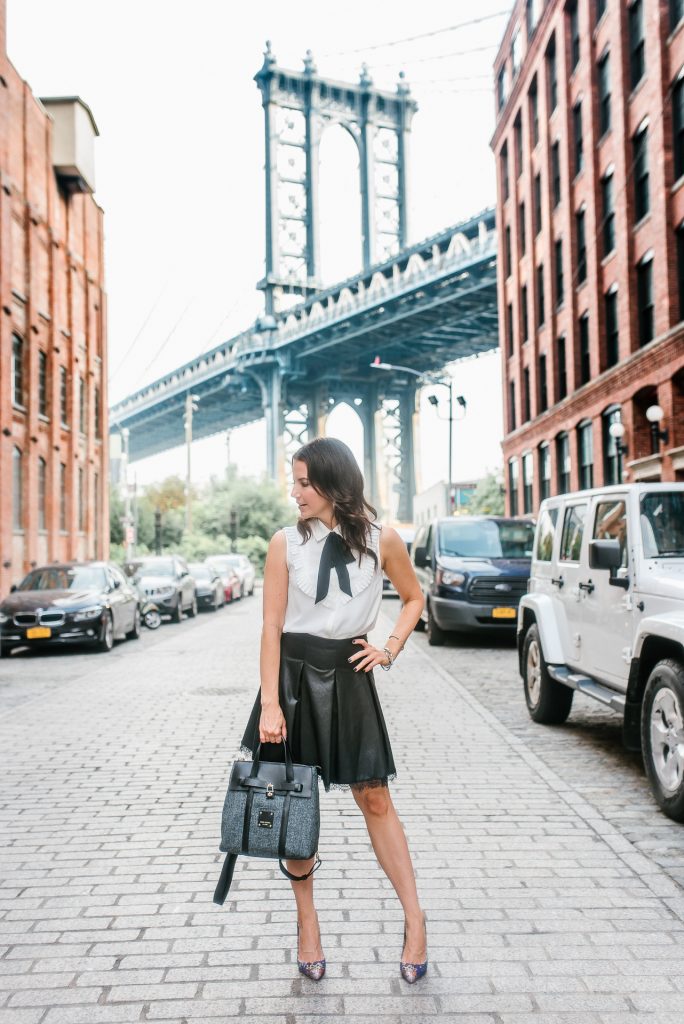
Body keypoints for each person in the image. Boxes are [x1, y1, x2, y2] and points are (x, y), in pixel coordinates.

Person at [241, 437, 427, 984]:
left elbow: (413, 597)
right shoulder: (284, 544)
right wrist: (270, 703)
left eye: (303, 482)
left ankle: (415, 921)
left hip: (350, 677)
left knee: (374, 797)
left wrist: (389, 648)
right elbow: (271, 626)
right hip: (293, 679)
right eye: (293, 482)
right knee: (295, 801)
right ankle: (308, 927)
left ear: (332, 484)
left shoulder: (383, 540)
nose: (294, 492)